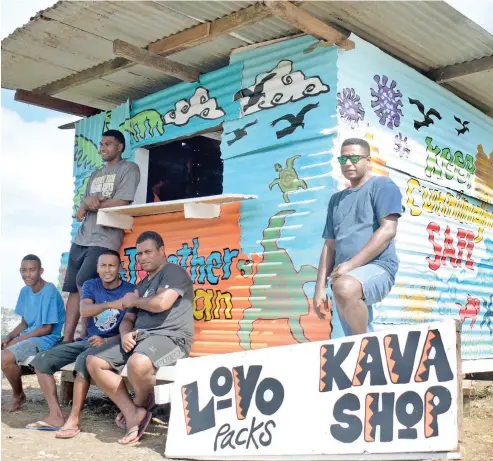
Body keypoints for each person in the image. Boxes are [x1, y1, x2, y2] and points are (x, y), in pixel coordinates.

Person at [86, 231, 194, 445]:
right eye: (139, 254)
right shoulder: (142, 285)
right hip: (140, 338)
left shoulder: (174, 273)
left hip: (172, 339)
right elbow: (128, 318)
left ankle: (142, 405)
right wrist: (125, 334)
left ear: (162, 251)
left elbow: (161, 303)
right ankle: (132, 412)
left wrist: (134, 301)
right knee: (94, 361)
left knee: (138, 363)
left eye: (148, 252)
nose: (143, 257)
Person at [26, 250, 134, 436]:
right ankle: (55, 415)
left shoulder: (130, 291)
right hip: (88, 341)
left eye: (112, 265)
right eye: (103, 266)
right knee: (42, 361)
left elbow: (130, 327)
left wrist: (107, 339)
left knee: (84, 360)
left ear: (120, 268)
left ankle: (73, 420)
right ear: (98, 268)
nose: (107, 270)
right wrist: (112, 304)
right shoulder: (91, 285)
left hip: (113, 344)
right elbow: (84, 310)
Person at [314, 138, 403, 335]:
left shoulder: (382, 186)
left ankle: (365, 346)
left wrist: (350, 265)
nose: (348, 163)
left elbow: (388, 230)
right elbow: (330, 245)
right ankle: (367, 356)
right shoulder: (336, 200)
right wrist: (319, 288)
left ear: (368, 160)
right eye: (343, 159)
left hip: (379, 267)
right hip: (344, 276)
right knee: (353, 333)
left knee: (345, 288)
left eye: (354, 158)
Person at [63, 130, 140, 343]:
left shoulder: (129, 168)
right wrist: (86, 204)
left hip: (104, 238)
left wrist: (91, 204)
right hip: (81, 238)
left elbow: (123, 200)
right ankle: (67, 338)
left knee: (83, 281)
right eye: (101, 144)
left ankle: (85, 335)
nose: (102, 148)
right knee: (72, 289)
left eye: (108, 144)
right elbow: (81, 211)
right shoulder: (95, 175)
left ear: (120, 147)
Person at [1, 255, 65, 412]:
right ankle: (18, 392)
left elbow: (46, 329)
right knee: (3, 349)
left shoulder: (49, 290)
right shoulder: (24, 291)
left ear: (41, 271)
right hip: (30, 336)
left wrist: (18, 340)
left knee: (5, 357)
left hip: (47, 339)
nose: (27, 274)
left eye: (32, 270)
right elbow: (24, 323)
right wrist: (9, 336)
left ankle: (18, 395)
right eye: (24, 270)